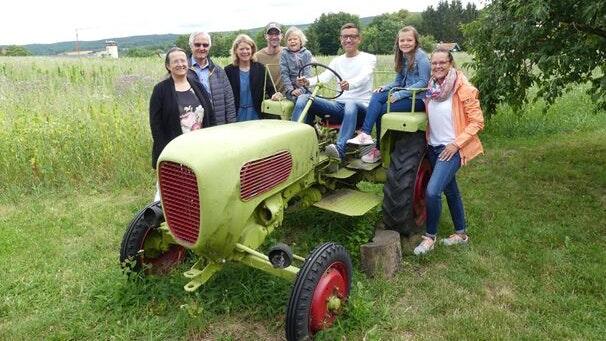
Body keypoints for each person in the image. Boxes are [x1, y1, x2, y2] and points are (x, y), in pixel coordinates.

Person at [413, 48, 484, 255]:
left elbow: (477, 121)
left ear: (450, 63)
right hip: (434, 147)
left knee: (432, 191)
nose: (437, 66)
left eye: (442, 62)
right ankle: (461, 234)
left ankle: (429, 237)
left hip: (451, 149)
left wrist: (456, 144)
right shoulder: (432, 86)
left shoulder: (463, 87)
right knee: (450, 189)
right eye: (434, 63)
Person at [291, 23, 376, 164]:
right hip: (339, 107)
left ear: (359, 39)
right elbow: (324, 77)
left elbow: (365, 76)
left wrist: (350, 83)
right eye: (345, 37)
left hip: (361, 109)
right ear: (340, 39)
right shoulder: (337, 60)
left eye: (352, 37)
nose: (348, 40)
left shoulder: (369, 58)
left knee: (351, 103)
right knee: (304, 98)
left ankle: (339, 150)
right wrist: (307, 81)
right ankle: (294, 142)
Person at [348, 26, 430, 163]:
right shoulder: (402, 57)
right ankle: (366, 134)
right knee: (377, 95)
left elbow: (423, 82)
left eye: (409, 40)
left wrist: (400, 95)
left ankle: (379, 149)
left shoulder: (421, 58)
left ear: (416, 41)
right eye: (402, 40)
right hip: (406, 94)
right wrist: (385, 87)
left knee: (383, 110)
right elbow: (398, 81)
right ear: (398, 42)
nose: (405, 43)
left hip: (418, 98)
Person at [149, 47, 215, 201]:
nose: (180, 64)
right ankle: (161, 218)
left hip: (199, 148)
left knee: (195, 188)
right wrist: (165, 152)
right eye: (175, 61)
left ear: (188, 63)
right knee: (170, 191)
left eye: (183, 60)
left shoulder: (197, 86)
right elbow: (156, 124)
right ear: (168, 66)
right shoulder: (160, 90)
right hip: (174, 149)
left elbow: (209, 115)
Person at [224, 34, 281, 121]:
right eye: (241, 49)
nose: (245, 52)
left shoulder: (261, 69)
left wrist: (276, 95)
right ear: (236, 51)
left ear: (252, 50)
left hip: (256, 114)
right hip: (236, 115)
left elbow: (271, 90)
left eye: (247, 49)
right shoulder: (228, 70)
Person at [188, 32, 236, 125]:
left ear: (209, 47)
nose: (201, 48)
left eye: (205, 45)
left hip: (217, 124)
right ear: (191, 46)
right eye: (197, 44)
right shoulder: (183, 71)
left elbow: (229, 101)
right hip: (194, 126)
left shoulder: (218, 71)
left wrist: (231, 125)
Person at [279, 26, 314, 101]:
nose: (292, 41)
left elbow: (308, 74)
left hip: (305, 87)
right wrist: (291, 90)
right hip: (291, 89)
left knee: (307, 100)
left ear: (300, 41)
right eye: (289, 39)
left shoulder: (307, 54)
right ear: (287, 42)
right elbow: (284, 74)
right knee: (296, 100)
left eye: (295, 39)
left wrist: (302, 89)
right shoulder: (284, 54)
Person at [254, 22, 285, 94]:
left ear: (281, 36)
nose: (274, 37)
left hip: (287, 98)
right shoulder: (257, 56)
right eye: (270, 34)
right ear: (266, 36)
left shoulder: (288, 52)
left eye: (276, 34)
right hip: (267, 100)